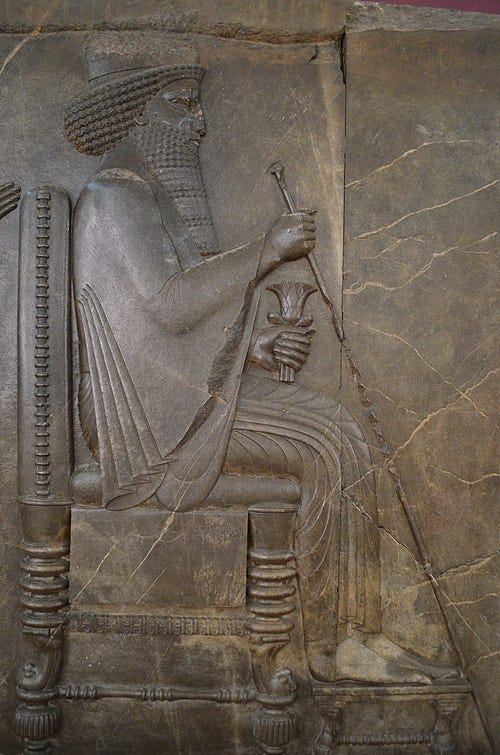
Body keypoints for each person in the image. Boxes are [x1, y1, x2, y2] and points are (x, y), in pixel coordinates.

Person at [66, 33, 458, 683]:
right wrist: (267, 249)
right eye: (180, 104)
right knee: (331, 438)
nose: (199, 122)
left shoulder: (141, 194)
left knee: (338, 432)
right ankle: (338, 642)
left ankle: (358, 633)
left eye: (196, 104)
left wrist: (253, 347)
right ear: (135, 113)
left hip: (172, 397)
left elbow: (159, 326)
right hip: (144, 421)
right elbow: (168, 308)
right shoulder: (116, 197)